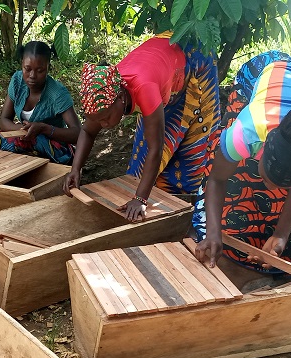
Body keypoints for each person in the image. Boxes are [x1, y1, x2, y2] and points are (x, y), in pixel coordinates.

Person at [191, 51, 291, 272]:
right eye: (267, 177)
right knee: (239, 179)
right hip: (261, 70)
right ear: (262, 148)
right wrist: (213, 233)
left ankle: (279, 244)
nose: (269, 187)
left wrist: (281, 234)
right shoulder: (247, 131)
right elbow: (217, 178)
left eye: (283, 185)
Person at [64, 34, 220, 221]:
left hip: (194, 62)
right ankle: (150, 193)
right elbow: (88, 131)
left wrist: (140, 199)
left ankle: (184, 215)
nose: (103, 125)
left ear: (120, 98)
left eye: (105, 119)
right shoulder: (103, 96)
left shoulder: (144, 89)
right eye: (99, 121)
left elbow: (156, 147)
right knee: (143, 157)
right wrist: (75, 169)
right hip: (159, 69)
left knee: (189, 150)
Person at [0, 41, 80, 164]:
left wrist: (44, 129)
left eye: (40, 70)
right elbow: (4, 120)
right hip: (22, 136)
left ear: (48, 68)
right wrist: (24, 130)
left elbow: (78, 133)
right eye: (27, 69)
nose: (32, 75)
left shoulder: (57, 93)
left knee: (24, 158)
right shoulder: (17, 81)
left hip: (52, 146)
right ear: (22, 65)